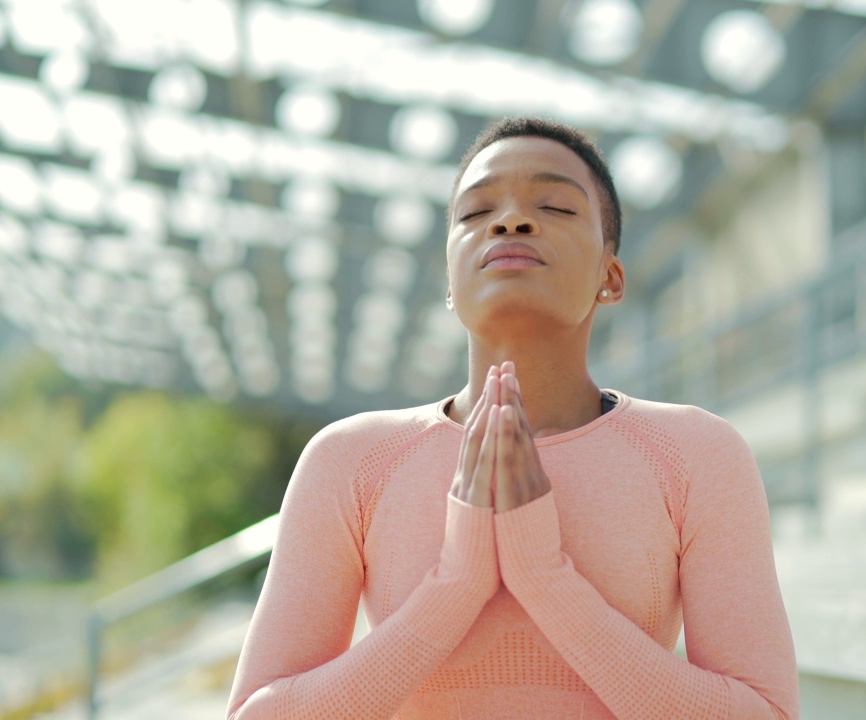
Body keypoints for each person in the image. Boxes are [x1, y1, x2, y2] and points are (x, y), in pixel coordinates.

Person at [227, 117, 798, 719]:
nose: (510, 221)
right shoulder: (350, 461)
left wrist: (545, 576)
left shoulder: (696, 453)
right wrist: (456, 584)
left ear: (611, 277)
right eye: (475, 214)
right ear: (449, 280)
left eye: (554, 205)